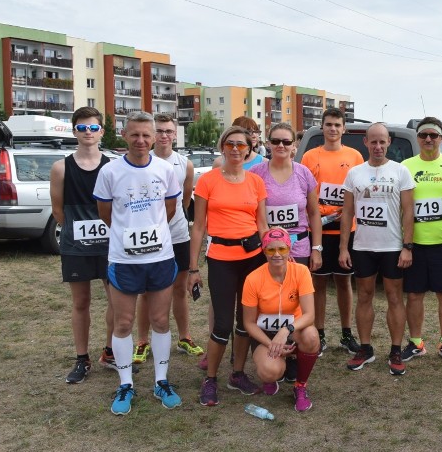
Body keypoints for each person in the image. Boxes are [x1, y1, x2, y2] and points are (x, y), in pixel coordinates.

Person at [93, 111, 182, 415]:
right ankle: (126, 383)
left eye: (147, 135)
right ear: (124, 136)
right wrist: (127, 233)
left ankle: (161, 380)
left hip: (160, 257)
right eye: (135, 135)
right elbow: (105, 213)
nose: (142, 140)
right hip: (123, 258)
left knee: (160, 321)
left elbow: (169, 209)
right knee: (123, 322)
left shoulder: (165, 169)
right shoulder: (110, 172)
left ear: (155, 136)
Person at [188, 126, 268, 406]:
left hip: (253, 257)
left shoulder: (256, 182)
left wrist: (272, 254)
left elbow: (262, 224)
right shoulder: (208, 181)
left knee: (246, 323)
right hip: (221, 258)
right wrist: (193, 268)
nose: (235, 149)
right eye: (230, 144)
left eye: (241, 145)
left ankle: (237, 373)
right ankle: (210, 379)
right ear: (222, 147)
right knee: (222, 324)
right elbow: (198, 227)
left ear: (249, 149)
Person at [339, 122, 415, 375]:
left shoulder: (400, 171)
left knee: (395, 297)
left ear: (389, 143)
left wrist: (407, 247)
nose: (378, 146)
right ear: (366, 143)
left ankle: (395, 350)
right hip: (362, 246)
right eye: (374, 141)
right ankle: (365, 348)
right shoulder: (354, 173)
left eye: (382, 141)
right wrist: (343, 248)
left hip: (392, 246)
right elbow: (347, 212)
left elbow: (408, 212)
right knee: (364, 296)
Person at [131, 114, 203, 366]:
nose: (163, 135)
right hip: (149, 236)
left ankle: (185, 337)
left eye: (168, 131)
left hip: (177, 234)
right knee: (147, 292)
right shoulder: (141, 162)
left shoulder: (185, 164)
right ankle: (142, 340)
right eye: (159, 131)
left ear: (175, 135)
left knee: (179, 290)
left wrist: (170, 221)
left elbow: (183, 201)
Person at [50, 106, 115, 383]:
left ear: (101, 131)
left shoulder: (112, 166)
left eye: (93, 127)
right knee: (81, 302)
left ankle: (111, 353)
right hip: (76, 247)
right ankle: (82, 358)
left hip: (111, 246)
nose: (88, 133)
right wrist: (79, 233)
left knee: (117, 301)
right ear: (74, 130)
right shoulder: (61, 167)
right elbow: (58, 211)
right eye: (82, 128)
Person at [400, 117, 442, 365]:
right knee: (414, 295)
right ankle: (416, 342)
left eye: (433, 135)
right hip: (414, 243)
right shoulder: (405, 166)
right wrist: (403, 243)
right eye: (424, 135)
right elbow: (400, 207)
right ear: (417, 138)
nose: (428, 139)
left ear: (441, 138)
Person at [300, 108, 363, 354]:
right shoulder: (309, 156)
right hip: (319, 229)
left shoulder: (355, 156)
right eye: (329, 125)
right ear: (322, 128)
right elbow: (306, 193)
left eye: (337, 125)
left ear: (344, 129)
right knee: (319, 282)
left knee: (345, 281)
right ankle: (320, 332)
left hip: (348, 229)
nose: (333, 129)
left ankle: (347, 334)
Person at [242, 227, 320, 412]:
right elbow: (249, 323)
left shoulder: (301, 271)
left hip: (294, 330)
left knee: (311, 336)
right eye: (271, 250)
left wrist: (286, 331)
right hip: (265, 335)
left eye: (282, 249)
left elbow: (309, 314)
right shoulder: (253, 279)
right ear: (264, 251)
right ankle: (277, 370)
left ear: (289, 249)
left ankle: (300, 386)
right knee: (271, 372)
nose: (277, 254)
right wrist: (271, 344)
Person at [250, 122, 322, 269]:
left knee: (297, 291)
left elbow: (314, 214)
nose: (281, 145)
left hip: (298, 248)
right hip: (266, 248)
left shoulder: (304, 173)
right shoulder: (255, 173)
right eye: (276, 141)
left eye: (286, 142)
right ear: (269, 143)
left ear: (293, 144)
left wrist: (316, 249)